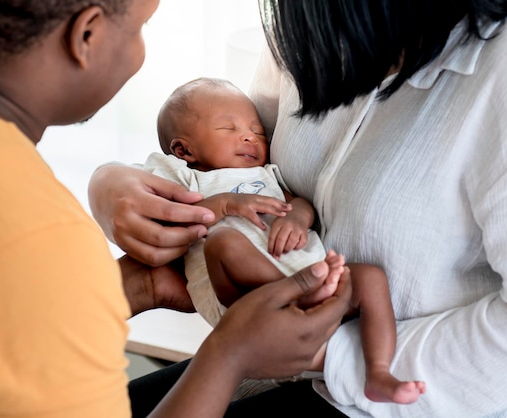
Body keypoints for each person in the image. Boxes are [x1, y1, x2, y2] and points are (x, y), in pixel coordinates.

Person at [87, 0, 507, 416]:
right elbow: (245, 153)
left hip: (420, 396)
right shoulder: (311, 20)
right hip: (277, 357)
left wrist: (327, 354)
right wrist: (109, 185)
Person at [0, 1, 355, 418]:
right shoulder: (44, 235)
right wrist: (229, 354)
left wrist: (137, 287)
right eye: (143, 27)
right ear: (87, 36)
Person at [146, 76, 425, 403]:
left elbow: (298, 202)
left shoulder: (266, 174)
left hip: (310, 273)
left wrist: (296, 217)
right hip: (242, 299)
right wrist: (225, 204)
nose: (250, 136)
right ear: (183, 149)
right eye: (229, 129)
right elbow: (165, 222)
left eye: (257, 130)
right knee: (224, 243)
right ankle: (302, 295)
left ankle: (378, 372)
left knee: (370, 277)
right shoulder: (184, 179)